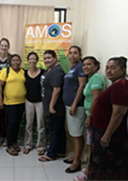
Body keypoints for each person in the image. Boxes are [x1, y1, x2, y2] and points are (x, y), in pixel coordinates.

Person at [88, 57, 128, 181]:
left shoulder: (121, 87)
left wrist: (107, 135)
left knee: (108, 169)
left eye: (113, 68)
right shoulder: (116, 85)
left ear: (123, 70)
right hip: (102, 131)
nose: (108, 71)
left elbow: (118, 113)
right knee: (100, 165)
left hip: (112, 135)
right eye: (107, 68)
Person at [73, 56, 105, 181]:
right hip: (90, 115)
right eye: (84, 65)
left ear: (96, 66)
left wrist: (89, 116)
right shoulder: (91, 78)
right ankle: (89, 168)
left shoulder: (96, 77)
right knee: (90, 143)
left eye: (89, 64)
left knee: (91, 145)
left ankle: (88, 175)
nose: (86, 67)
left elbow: (96, 98)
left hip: (94, 116)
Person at [62, 45, 87, 173]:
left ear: (80, 55)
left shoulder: (81, 67)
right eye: (70, 53)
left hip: (76, 106)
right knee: (73, 132)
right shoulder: (72, 68)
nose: (72, 55)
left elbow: (81, 86)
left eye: (75, 53)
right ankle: (74, 156)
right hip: (69, 105)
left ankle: (77, 161)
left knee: (77, 134)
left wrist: (74, 104)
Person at [38, 50, 66, 162]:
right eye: (45, 58)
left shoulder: (56, 71)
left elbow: (57, 90)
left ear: (55, 58)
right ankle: (61, 151)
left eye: (49, 58)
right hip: (51, 105)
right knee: (59, 130)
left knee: (54, 130)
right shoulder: (49, 70)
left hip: (55, 107)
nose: (46, 60)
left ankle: (51, 154)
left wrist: (51, 106)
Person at [0, 54, 26, 156]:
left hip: (21, 102)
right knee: (11, 123)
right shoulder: (6, 71)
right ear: (10, 62)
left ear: (20, 61)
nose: (16, 62)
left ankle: (14, 143)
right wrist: (0, 100)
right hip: (9, 102)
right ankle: (9, 145)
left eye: (17, 60)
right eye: (13, 60)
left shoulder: (23, 72)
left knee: (17, 123)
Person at [23, 52, 46, 155]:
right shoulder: (24, 73)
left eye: (34, 59)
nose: (32, 61)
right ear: (28, 61)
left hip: (40, 102)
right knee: (29, 124)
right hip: (28, 101)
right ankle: (28, 145)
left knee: (40, 125)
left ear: (37, 60)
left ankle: (41, 146)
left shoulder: (43, 72)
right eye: (30, 59)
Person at [0, 38, 11, 147]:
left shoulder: (11, 58)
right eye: (2, 45)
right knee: (0, 115)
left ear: (8, 47)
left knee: (9, 115)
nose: (4, 48)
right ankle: (2, 136)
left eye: (6, 46)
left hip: (9, 89)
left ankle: (9, 137)